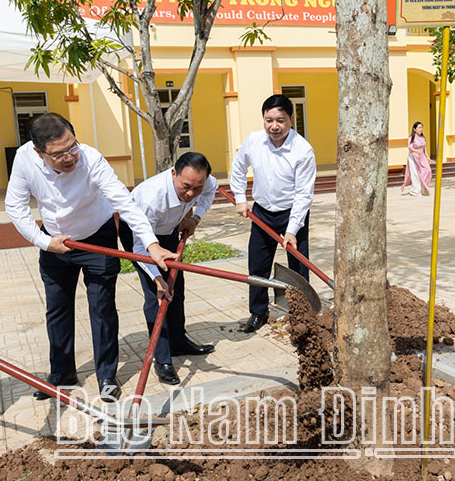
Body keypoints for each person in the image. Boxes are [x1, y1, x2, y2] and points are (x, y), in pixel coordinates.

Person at [4, 113, 176, 402]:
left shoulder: (90, 158)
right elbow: (15, 207)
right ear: (38, 152)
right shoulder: (24, 159)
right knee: (57, 310)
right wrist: (44, 242)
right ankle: (62, 372)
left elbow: (123, 201)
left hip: (98, 237)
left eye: (73, 147)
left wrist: (151, 244)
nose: (70, 157)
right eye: (59, 154)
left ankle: (107, 376)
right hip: (55, 242)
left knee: (102, 308)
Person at [118, 152, 218, 385]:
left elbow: (210, 191)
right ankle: (162, 360)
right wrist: (155, 278)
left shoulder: (205, 182)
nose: (191, 194)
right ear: (174, 174)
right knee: (157, 295)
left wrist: (196, 218)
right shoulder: (153, 198)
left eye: (197, 187)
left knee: (176, 287)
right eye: (185, 187)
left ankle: (178, 341)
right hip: (139, 234)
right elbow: (140, 245)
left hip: (170, 229)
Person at [230, 94, 316, 333]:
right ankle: (259, 312)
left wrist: (291, 230)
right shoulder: (254, 140)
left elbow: (303, 194)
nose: (274, 126)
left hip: (292, 213)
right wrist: (240, 198)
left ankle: (301, 314)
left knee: (298, 265)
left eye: (280, 120)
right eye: (269, 120)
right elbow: (237, 167)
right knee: (257, 265)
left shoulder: (303, 150)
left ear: (291, 119)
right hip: (261, 213)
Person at [401, 121, 432, 196]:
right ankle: (415, 190)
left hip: (422, 157)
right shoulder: (412, 137)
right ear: (414, 129)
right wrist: (416, 151)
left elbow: (424, 148)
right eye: (419, 128)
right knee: (415, 174)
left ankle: (423, 188)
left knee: (427, 171)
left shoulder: (422, 137)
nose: (421, 129)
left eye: (421, 128)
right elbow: (410, 147)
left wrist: (427, 156)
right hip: (413, 157)